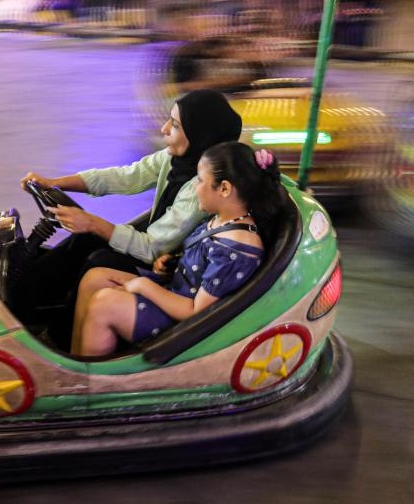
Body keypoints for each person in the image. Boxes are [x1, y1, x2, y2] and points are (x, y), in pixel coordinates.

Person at [13, 89, 243, 331]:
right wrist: (55, 183)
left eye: (174, 125)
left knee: (98, 259)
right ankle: (19, 308)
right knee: (83, 242)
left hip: (167, 266)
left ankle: (57, 336)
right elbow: (125, 177)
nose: (164, 128)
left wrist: (92, 222)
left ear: (199, 136)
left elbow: (153, 248)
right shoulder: (175, 159)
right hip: (154, 249)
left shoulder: (202, 188)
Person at [71, 142, 284, 357]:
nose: (194, 187)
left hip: (184, 326)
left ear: (225, 189)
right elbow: (200, 263)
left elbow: (196, 313)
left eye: (200, 180)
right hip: (175, 291)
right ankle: (75, 361)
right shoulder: (220, 220)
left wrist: (144, 286)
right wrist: (171, 263)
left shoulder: (236, 248)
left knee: (104, 304)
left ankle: (88, 382)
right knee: (95, 278)